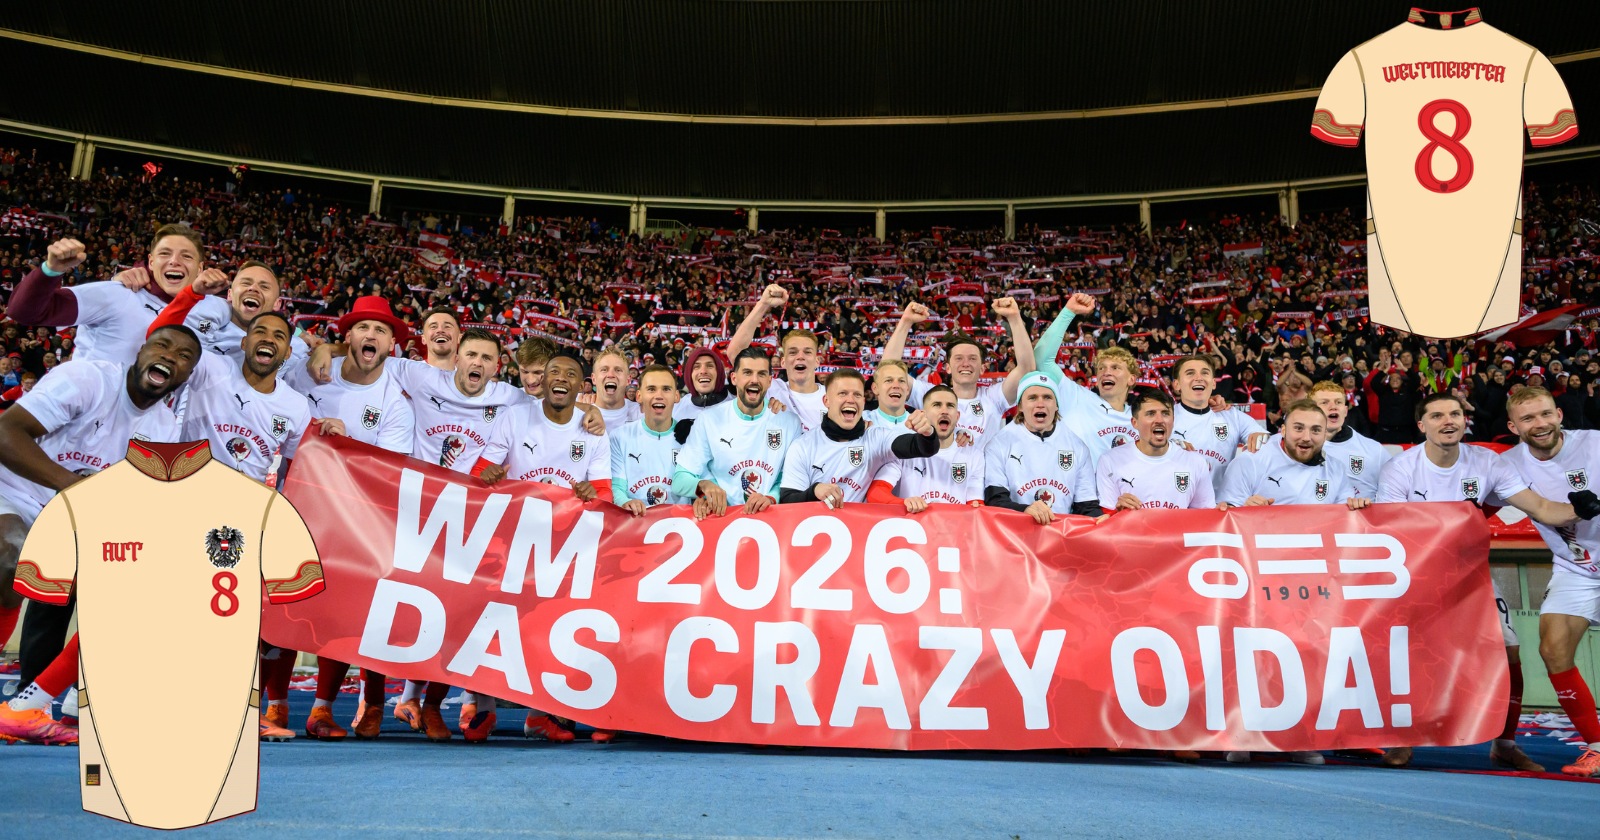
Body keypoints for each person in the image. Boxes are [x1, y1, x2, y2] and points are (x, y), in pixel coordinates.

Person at [0, 327, 201, 744]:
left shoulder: (162, 429)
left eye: (184, 356)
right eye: (162, 345)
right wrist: (73, 485)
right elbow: (6, 433)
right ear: (140, 351)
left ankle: (25, 707)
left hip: (71, 516)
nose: (171, 356)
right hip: (14, 489)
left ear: (187, 375)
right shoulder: (89, 378)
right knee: (11, 556)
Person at [1376, 392, 1578, 771]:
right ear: (1422, 426)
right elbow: (1391, 533)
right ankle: (1402, 739)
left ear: (1465, 420)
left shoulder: (1486, 462)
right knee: (1407, 658)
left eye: (1454, 413)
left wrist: (1577, 509)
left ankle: (1504, 744)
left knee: (1509, 656)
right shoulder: (1401, 469)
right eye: (1437, 416)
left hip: (1471, 575)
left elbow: (1541, 508)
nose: (1448, 420)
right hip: (1415, 575)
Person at [1216, 399, 1369, 768]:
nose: (1306, 437)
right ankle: (1242, 736)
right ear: (1282, 428)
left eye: (1316, 430)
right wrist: (1241, 510)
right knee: (1252, 657)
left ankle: (1299, 738)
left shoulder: (1335, 470)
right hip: (1254, 578)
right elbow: (1219, 516)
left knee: (1306, 655)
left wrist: (1358, 507)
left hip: (1309, 583)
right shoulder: (1251, 463)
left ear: (1327, 433)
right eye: (1298, 428)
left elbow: (1343, 519)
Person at [290, 297, 417, 741]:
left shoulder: (396, 405)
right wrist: (316, 346)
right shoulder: (306, 374)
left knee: (361, 612)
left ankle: (356, 703)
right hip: (294, 509)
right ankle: (272, 705)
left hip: (358, 519)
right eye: (364, 328)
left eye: (382, 331)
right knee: (285, 609)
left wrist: (347, 447)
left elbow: (389, 473)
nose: (372, 336)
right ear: (348, 337)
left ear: (392, 346)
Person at [477, 350, 612, 743]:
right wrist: (488, 475)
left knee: (551, 629)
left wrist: (592, 494)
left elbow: (603, 494)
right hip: (511, 537)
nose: (561, 378)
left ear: (581, 386)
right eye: (554, 371)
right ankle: (483, 710)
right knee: (491, 622)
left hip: (564, 545)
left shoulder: (593, 430)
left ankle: (539, 714)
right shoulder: (516, 417)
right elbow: (480, 472)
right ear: (542, 380)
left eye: (571, 374)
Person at [1496, 387, 1600, 777]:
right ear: (1513, 426)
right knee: (1554, 650)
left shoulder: (1594, 444)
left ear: (1558, 414)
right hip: (1576, 568)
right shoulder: (1507, 465)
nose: (1539, 424)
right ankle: (1596, 747)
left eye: (1544, 415)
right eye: (1527, 419)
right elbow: (1473, 506)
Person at [6, 229, 205, 364]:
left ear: (201, 268)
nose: (174, 262)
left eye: (186, 256)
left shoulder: (213, 311)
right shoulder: (117, 293)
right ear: (151, 262)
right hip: (85, 421)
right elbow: (23, 312)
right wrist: (51, 271)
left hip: (150, 423)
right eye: (165, 254)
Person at [883, 297, 1035, 444]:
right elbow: (888, 370)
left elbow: (1026, 370)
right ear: (947, 367)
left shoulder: (994, 397)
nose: (966, 364)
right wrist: (906, 322)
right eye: (958, 358)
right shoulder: (929, 395)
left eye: (973, 358)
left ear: (983, 368)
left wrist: (1015, 318)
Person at [778, 369, 938, 508]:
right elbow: (787, 502)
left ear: (863, 401)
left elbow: (920, 447)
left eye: (857, 395)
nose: (851, 399)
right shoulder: (803, 445)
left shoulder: (877, 437)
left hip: (860, 537)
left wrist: (928, 432)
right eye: (842, 393)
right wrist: (814, 491)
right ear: (826, 400)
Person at [672, 348, 802, 518]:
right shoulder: (708, 420)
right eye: (747, 373)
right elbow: (680, 480)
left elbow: (791, 477)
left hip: (771, 521)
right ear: (734, 378)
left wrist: (772, 497)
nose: (754, 380)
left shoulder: (790, 422)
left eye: (761, 374)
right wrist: (704, 487)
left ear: (770, 381)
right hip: (724, 521)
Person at [1031, 294, 1140, 466]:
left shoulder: (1142, 417)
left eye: (1115, 368)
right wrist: (1069, 312)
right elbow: (1041, 359)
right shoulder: (1076, 397)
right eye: (1102, 368)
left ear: (1131, 379)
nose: (1106, 372)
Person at [983, 373, 1099, 525]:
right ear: (1020, 406)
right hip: (1015, 535)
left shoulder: (1077, 446)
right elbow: (995, 501)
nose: (1040, 404)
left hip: (1061, 538)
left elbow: (1087, 506)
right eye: (1032, 398)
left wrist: (1100, 521)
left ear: (1056, 405)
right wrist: (1025, 510)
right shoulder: (999, 444)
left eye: (1047, 397)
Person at [1095, 388, 1216, 513]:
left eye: (1165, 413)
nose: (1159, 420)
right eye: (1150, 413)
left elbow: (1205, 517)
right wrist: (1118, 512)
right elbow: (1106, 521)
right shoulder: (1110, 461)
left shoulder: (1195, 462)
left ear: (1173, 421)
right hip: (1132, 532)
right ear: (1134, 422)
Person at [869, 384, 984, 510]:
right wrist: (904, 503)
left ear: (957, 417)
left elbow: (976, 504)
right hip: (914, 528)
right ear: (923, 414)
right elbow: (876, 493)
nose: (944, 411)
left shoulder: (974, 455)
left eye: (950, 406)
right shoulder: (907, 449)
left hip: (954, 528)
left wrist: (976, 507)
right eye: (937, 405)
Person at [1168, 354, 1268, 490]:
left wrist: (1260, 439)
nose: (1198, 377)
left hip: (1222, 507)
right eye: (1190, 373)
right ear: (1176, 384)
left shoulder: (1233, 416)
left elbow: (1267, 441)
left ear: (1214, 383)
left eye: (1205, 373)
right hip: (1178, 507)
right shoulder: (1164, 419)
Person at [611, 365, 690, 512]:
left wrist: (702, 497)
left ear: (677, 396)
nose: (659, 395)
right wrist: (625, 502)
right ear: (639, 396)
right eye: (651, 389)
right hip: (636, 523)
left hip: (680, 525)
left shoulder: (690, 436)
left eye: (666, 389)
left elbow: (698, 484)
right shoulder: (619, 436)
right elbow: (617, 486)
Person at [1311, 380, 1390, 499]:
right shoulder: (1296, 449)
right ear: (1310, 410)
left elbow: (1392, 494)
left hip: (1360, 517)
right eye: (1324, 402)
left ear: (1345, 411)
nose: (1333, 407)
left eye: (1338, 402)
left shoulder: (1374, 450)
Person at [584, 348, 642, 430]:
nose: (611, 375)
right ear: (593, 379)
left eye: (618, 370)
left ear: (628, 380)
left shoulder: (642, 414)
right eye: (604, 370)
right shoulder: (578, 412)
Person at [672, 345, 729, 423]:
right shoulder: (676, 409)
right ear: (689, 375)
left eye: (710, 366)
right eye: (696, 366)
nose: (703, 371)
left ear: (719, 372)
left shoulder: (738, 406)